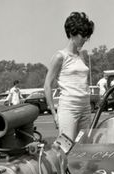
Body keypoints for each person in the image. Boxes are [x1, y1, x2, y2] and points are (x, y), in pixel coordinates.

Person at [44, 12, 94, 141]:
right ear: (72, 33)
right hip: (69, 108)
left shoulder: (82, 55)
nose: (85, 39)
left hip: (85, 107)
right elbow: (47, 86)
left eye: (87, 36)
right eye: (83, 35)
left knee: (84, 147)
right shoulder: (60, 57)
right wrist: (54, 114)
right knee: (66, 147)